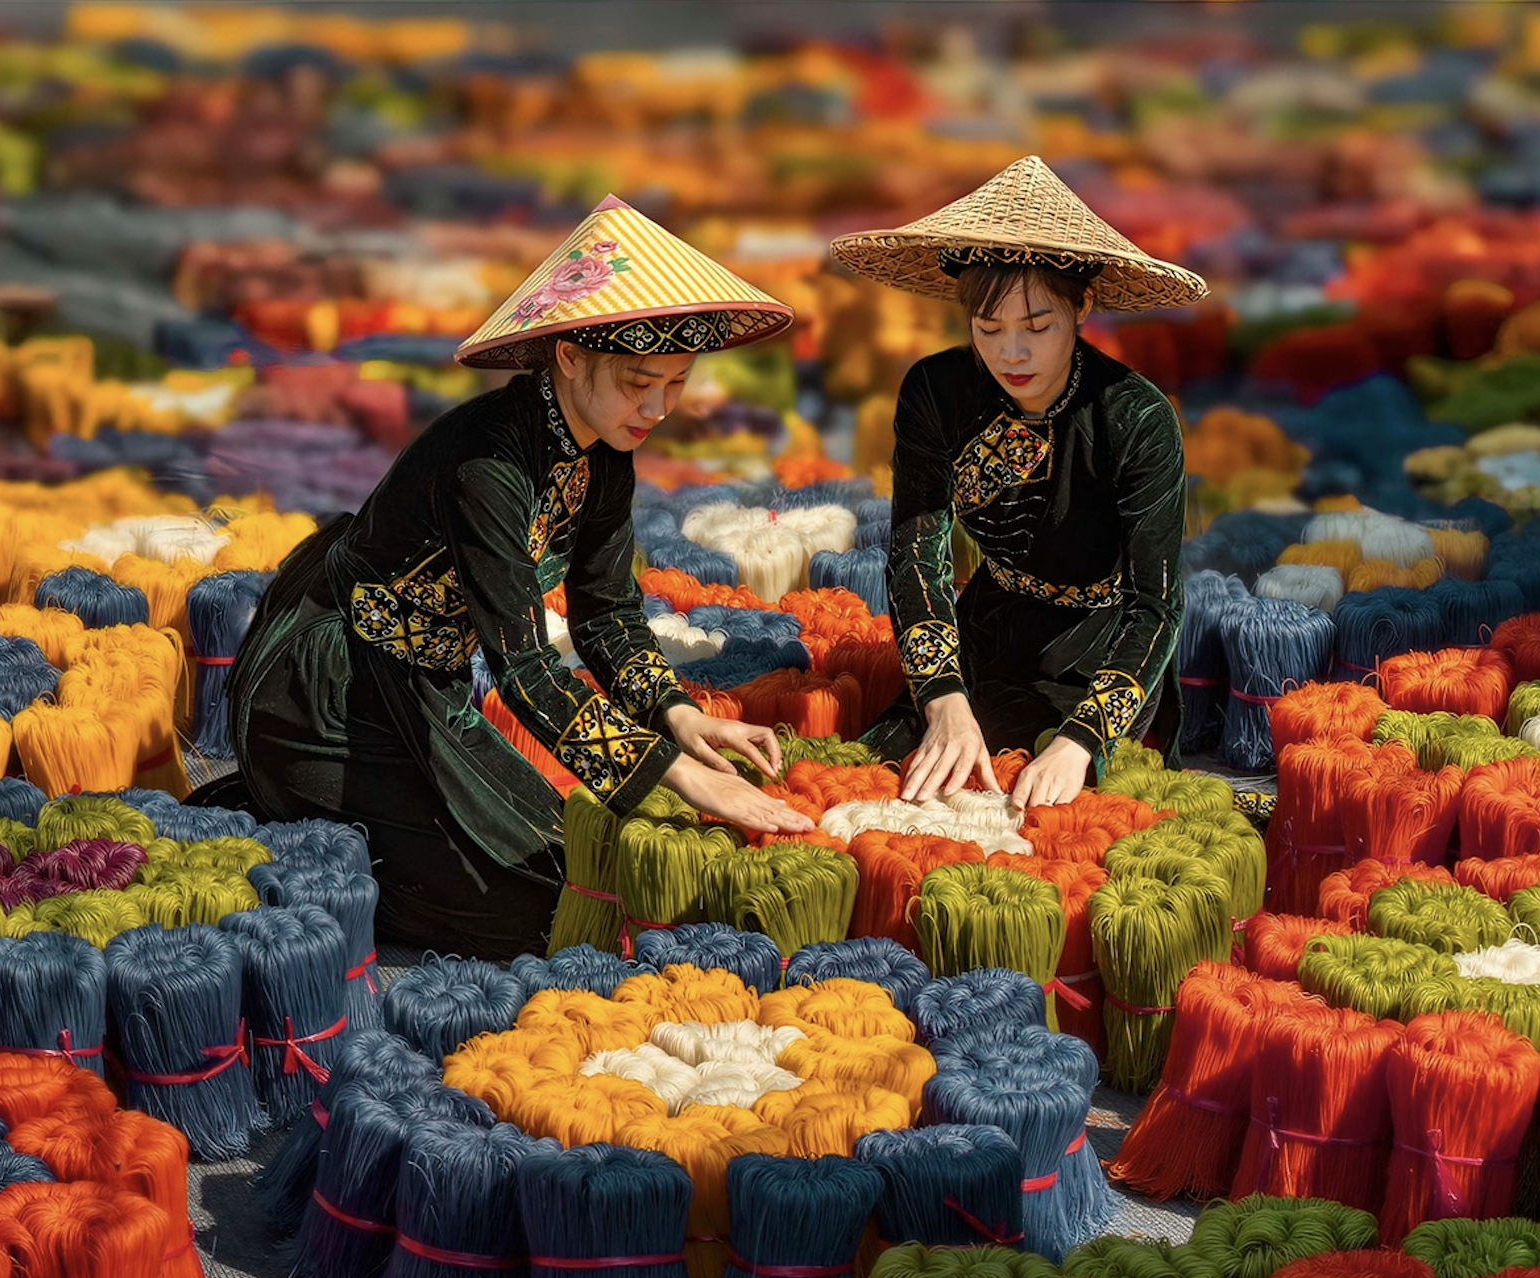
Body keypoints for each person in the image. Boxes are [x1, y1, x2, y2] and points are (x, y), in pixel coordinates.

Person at [217, 196, 815, 958]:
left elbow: (605, 613)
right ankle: (279, 802)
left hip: (425, 691)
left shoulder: (604, 454)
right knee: (521, 914)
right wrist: (683, 778)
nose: (661, 408)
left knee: (560, 869)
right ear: (569, 354)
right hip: (329, 693)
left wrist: (676, 715)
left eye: (678, 382)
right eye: (641, 382)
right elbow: (525, 669)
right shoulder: (487, 464)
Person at [829, 157, 1206, 813]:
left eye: (1037, 328)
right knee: (893, 779)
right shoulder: (935, 392)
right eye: (988, 330)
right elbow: (917, 552)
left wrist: (1081, 741)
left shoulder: (1137, 418)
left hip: (1103, 649)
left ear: (1083, 305)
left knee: (1064, 816)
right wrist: (943, 697)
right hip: (987, 633)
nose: (1011, 355)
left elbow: (1157, 605)